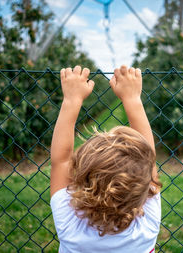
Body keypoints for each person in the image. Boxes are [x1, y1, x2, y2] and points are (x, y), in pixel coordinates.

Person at [50, 65, 161, 253]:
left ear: (81, 178)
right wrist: (132, 98)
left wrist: (71, 99)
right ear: (143, 190)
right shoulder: (147, 226)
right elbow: (148, 155)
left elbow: (61, 161)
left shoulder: (70, 228)